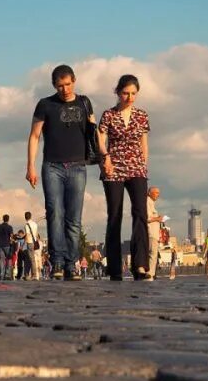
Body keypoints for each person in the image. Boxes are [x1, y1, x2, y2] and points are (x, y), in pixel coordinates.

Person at [27, 64, 95, 280]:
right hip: (52, 167)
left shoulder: (84, 102)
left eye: (67, 84)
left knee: (74, 219)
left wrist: (105, 157)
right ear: (54, 86)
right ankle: (57, 262)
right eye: (59, 86)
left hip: (77, 166)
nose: (64, 90)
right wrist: (30, 166)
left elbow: (94, 132)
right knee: (55, 214)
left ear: (74, 81)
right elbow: (35, 136)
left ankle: (71, 264)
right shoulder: (45, 105)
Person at [97, 74, 152, 281]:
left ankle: (140, 265)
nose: (129, 97)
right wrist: (106, 158)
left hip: (137, 167)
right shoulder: (109, 115)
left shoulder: (142, 115)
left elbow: (144, 142)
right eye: (125, 93)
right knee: (115, 215)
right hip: (113, 167)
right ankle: (114, 269)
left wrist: (143, 164)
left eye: (133, 94)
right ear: (118, 93)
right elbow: (101, 139)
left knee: (140, 213)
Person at [145, 187, 165, 280]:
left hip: (154, 234)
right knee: (152, 254)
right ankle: (150, 274)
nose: (158, 194)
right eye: (156, 192)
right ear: (150, 193)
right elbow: (147, 218)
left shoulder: (152, 203)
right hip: (151, 233)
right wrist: (158, 218)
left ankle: (151, 274)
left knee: (153, 254)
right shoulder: (148, 202)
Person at [0, 214, 15, 279]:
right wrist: (11, 243)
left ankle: (1, 274)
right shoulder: (9, 227)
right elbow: (11, 236)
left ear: (3, 219)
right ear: (8, 219)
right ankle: (7, 274)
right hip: (7, 245)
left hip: (0, 245)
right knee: (9, 259)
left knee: (1, 260)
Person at [23, 212, 43, 280]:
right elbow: (37, 234)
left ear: (25, 217)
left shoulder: (26, 225)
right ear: (31, 216)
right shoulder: (35, 224)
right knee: (32, 258)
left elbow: (27, 235)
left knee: (31, 259)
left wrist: (23, 245)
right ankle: (30, 274)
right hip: (35, 242)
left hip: (30, 242)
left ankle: (33, 275)